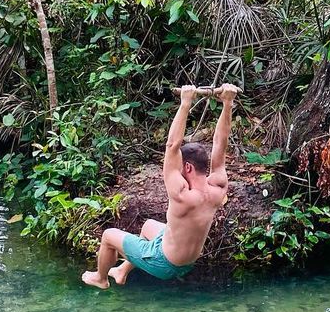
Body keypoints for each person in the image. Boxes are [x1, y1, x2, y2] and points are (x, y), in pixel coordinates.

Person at [81, 83, 238, 289]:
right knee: (148, 226)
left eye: (181, 166)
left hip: (163, 263)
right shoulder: (217, 188)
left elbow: (172, 145)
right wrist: (227, 103)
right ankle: (121, 271)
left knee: (108, 236)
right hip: (188, 262)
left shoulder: (182, 195)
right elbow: (220, 144)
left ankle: (100, 279)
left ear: (188, 167)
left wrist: (185, 104)